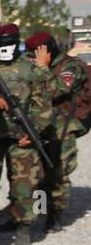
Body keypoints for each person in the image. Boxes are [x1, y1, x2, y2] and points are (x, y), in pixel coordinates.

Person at [0, 23, 50, 245]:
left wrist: (34, 132)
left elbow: (43, 105)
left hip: (22, 135)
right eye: (0, 45)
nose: (4, 49)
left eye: (9, 44)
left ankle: (23, 226)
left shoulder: (30, 69)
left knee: (24, 183)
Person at [26, 30, 85, 233]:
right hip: (38, 125)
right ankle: (38, 212)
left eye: (36, 53)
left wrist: (41, 68)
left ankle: (55, 214)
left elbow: (55, 91)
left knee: (58, 171)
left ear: (47, 52)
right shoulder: (35, 64)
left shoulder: (70, 66)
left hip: (62, 128)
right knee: (37, 173)